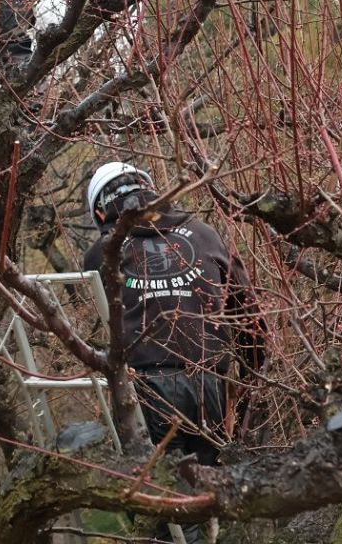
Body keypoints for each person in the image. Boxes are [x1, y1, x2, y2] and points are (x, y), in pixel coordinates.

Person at [82, 162, 263, 544]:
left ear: (101, 211)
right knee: (201, 506)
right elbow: (251, 322)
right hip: (207, 384)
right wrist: (244, 386)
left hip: (145, 391)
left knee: (162, 514)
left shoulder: (100, 253)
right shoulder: (204, 234)